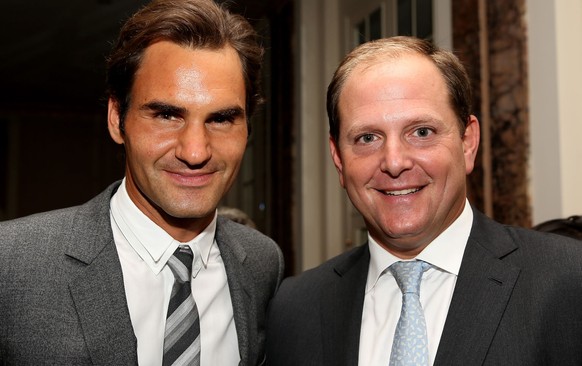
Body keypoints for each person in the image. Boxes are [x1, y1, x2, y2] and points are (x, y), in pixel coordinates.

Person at [266, 36, 582, 365]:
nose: (394, 161)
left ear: (468, 142)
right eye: (367, 138)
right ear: (339, 159)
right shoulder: (295, 309)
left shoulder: (568, 281)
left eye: (421, 132)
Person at [0, 0, 284, 365]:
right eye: (167, 115)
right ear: (117, 119)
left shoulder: (262, 264)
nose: (195, 151)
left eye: (222, 119)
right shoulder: (12, 264)